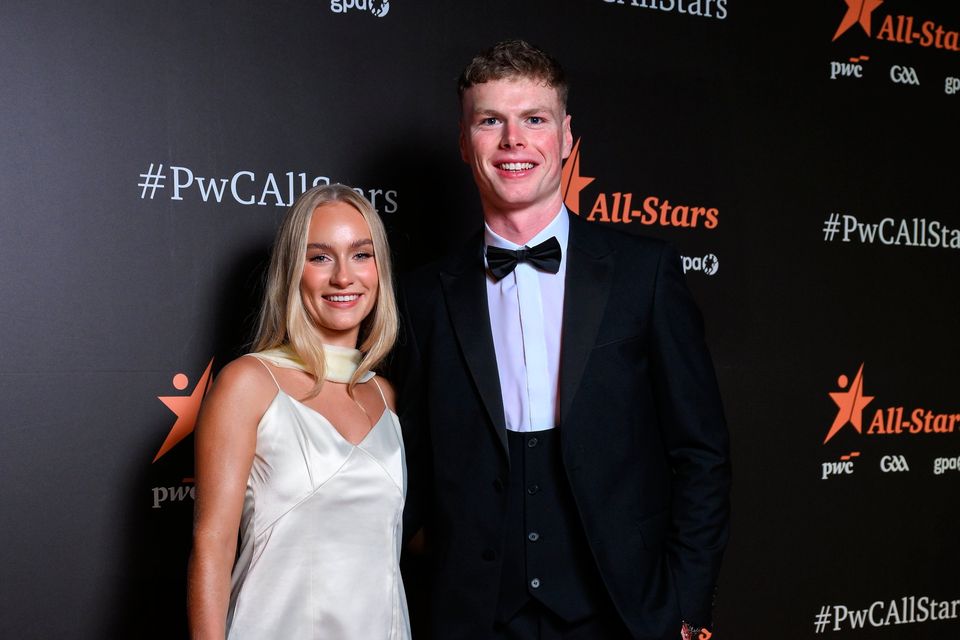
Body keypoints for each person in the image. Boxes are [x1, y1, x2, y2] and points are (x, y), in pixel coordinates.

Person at [393, 39, 731, 639]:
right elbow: (408, 472)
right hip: (473, 616)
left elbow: (700, 453)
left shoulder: (643, 275)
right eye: (490, 120)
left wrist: (686, 603)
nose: (513, 140)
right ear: (464, 142)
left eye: (534, 119)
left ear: (567, 137)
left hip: (623, 611)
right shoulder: (421, 298)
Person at [187, 184, 410, 639]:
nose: (344, 277)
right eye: (320, 257)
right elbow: (211, 546)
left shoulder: (384, 396)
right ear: (293, 271)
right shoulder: (248, 383)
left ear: (380, 270)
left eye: (361, 255)